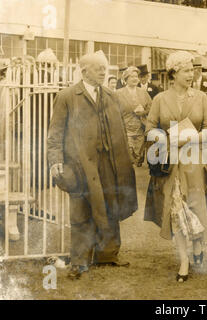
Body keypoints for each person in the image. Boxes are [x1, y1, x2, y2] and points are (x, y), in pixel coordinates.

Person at [144, 51, 207, 283]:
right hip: (171, 164)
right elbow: (149, 129)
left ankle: (198, 245)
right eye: (186, 71)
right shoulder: (160, 99)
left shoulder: (201, 98)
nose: (191, 75)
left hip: (196, 162)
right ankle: (184, 260)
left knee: (196, 207)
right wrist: (163, 138)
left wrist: (192, 139)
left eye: (192, 71)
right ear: (173, 73)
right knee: (176, 211)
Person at [47, 53, 138, 280]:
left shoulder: (110, 95)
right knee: (81, 211)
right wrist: (56, 160)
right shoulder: (67, 96)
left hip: (109, 162)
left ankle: (107, 255)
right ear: (84, 70)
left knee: (111, 205)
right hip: (80, 164)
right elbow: (55, 134)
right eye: (97, 68)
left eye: (104, 68)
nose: (102, 72)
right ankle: (79, 261)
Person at [116, 67, 152, 167]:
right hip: (125, 129)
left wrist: (144, 112)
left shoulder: (143, 92)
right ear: (126, 79)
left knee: (138, 158)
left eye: (136, 76)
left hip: (141, 128)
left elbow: (151, 107)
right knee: (128, 158)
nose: (135, 79)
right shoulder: (118, 93)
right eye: (132, 77)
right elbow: (114, 111)